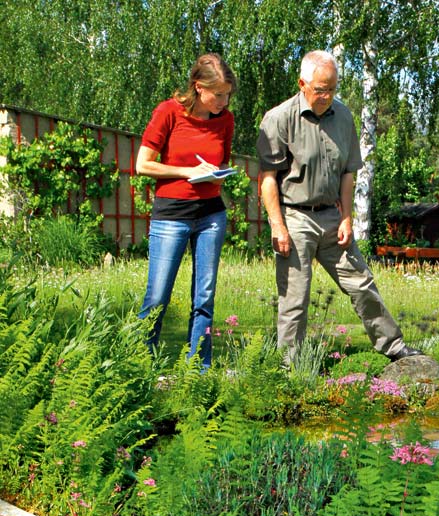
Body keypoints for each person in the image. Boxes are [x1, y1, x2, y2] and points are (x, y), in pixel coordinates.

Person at [256, 50, 422, 363]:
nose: (327, 96)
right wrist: (277, 225)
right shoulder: (278, 119)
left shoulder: (344, 117)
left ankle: (394, 347)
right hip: (294, 216)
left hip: (332, 217)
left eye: (332, 89)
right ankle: (291, 369)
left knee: (361, 283)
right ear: (302, 84)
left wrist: (347, 218)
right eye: (320, 89)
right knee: (295, 297)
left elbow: (349, 173)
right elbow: (267, 179)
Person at [136, 53, 236, 369]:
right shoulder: (169, 112)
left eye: (228, 93)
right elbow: (142, 165)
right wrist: (186, 172)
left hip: (211, 215)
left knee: (204, 299)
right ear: (198, 87)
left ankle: (198, 370)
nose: (224, 100)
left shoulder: (226, 120)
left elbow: (221, 160)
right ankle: (142, 367)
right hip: (171, 216)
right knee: (157, 298)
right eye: (218, 94)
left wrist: (216, 171)